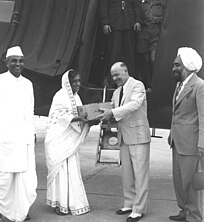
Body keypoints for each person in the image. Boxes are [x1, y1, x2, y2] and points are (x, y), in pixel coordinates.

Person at [0, 46, 37, 222]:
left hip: (24, 138)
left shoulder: (27, 84)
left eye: (21, 61)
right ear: (7, 62)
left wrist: (33, 133)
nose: (18, 64)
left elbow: (29, 111)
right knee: (5, 176)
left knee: (23, 177)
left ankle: (20, 210)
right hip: (4, 137)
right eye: (14, 60)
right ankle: (0, 211)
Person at [97, 62, 151, 222]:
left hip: (138, 135)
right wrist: (93, 114)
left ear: (126, 71)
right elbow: (111, 108)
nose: (115, 78)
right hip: (124, 136)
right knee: (127, 173)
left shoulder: (138, 85)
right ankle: (129, 203)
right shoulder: (117, 92)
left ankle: (139, 209)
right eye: (113, 75)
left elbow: (134, 105)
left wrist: (111, 112)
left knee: (140, 173)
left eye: (117, 74)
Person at [45, 69, 90, 216]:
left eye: (78, 81)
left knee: (71, 170)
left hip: (70, 142)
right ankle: (60, 203)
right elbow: (59, 116)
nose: (77, 84)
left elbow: (82, 115)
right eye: (74, 81)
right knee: (61, 171)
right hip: (59, 139)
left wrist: (90, 121)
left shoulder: (77, 98)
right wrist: (80, 119)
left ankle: (72, 202)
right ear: (68, 83)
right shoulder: (60, 96)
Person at [168, 47, 204, 222]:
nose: (173, 68)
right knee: (179, 181)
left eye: (176, 65)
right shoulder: (179, 85)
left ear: (188, 66)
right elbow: (176, 114)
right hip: (177, 142)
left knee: (192, 184)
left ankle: (195, 217)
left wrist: (202, 144)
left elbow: (203, 117)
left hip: (192, 144)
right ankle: (184, 211)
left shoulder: (199, 86)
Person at [99, 0, 141, 87]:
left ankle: (131, 81)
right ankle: (111, 80)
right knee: (114, 54)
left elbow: (137, 5)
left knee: (130, 55)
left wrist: (137, 20)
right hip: (114, 24)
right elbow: (103, 5)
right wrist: (105, 23)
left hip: (129, 23)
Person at [136, 0, 166, 91]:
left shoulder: (162, 3)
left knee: (154, 59)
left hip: (156, 32)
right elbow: (138, 16)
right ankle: (149, 85)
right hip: (144, 32)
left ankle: (156, 83)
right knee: (145, 60)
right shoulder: (142, 4)